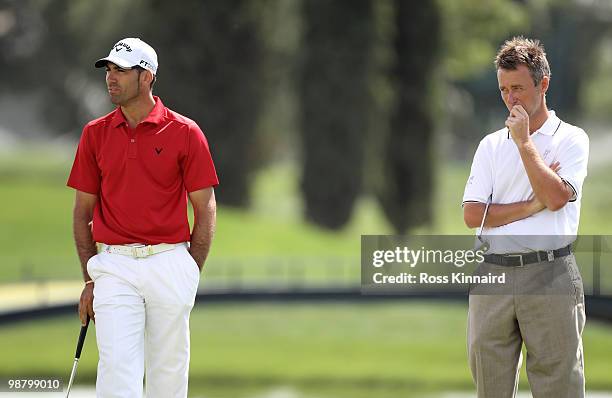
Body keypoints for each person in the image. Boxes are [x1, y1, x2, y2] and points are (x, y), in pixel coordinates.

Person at [67, 37, 218, 398]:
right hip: (115, 267)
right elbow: (81, 213)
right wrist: (90, 278)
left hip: (170, 262)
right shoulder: (95, 134)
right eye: (108, 70)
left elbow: (205, 207)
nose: (111, 78)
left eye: (121, 70)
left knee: (168, 374)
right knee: (117, 374)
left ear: (146, 76)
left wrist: (189, 270)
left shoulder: (185, 132)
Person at [462, 36, 589, 397]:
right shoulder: (489, 145)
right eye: (504, 89)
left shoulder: (572, 139)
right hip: (493, 275)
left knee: (559, 387)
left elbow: (555, 196)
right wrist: (531, 206)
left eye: (518, 88)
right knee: (490, 388)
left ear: (543, 84)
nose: (510, 98)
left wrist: (523, 143)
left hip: (550, 274)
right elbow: (473, 215)